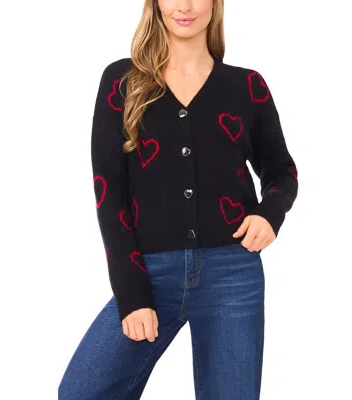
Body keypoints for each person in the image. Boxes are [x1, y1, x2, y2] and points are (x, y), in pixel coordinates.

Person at [58, 0, 298, 398]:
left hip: (232, 272)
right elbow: (109, 191)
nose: (184, 6)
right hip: (148, 272)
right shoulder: (122, 80)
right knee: (82, 390)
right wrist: (132, 293)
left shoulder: (246, 86)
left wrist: (269, 214)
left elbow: (282, 172)